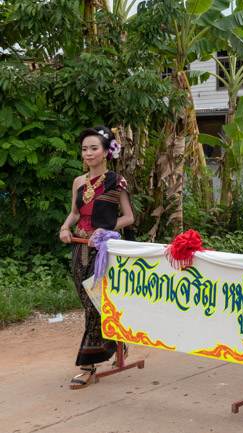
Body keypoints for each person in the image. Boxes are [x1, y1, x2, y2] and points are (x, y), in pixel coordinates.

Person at [59, 126, 135, 389]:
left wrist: (105, 230)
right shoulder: (78, 182)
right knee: (88, 302)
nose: (88, 153)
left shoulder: (117, 181)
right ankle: (118, 339)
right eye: (84, 148)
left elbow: (129, 217)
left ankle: (87, 365)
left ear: (106, 152)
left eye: (94, 148)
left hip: (105, 252)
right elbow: (75, 213)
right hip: (79, 248)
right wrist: (65, 227)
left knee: (94, 305)